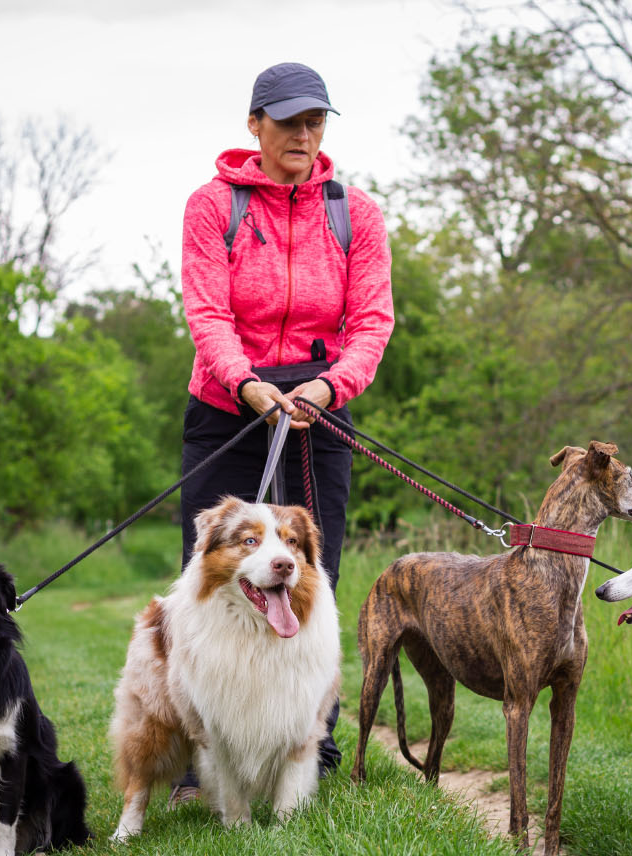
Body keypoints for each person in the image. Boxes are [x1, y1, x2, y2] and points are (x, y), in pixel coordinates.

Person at [169, 62, 395, 806]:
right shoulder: (214, 206)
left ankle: (309, 738)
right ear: (254, 124)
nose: (304, 133)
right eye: (290, 120)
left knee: (308, 575)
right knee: (211, 575)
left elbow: (371, 321)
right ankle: (204, 749)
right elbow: (207, 314)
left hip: (318, 411)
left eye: (316, 121)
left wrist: (330, 387)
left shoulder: (354, 212)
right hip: (227, 408)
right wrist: (248, 384)